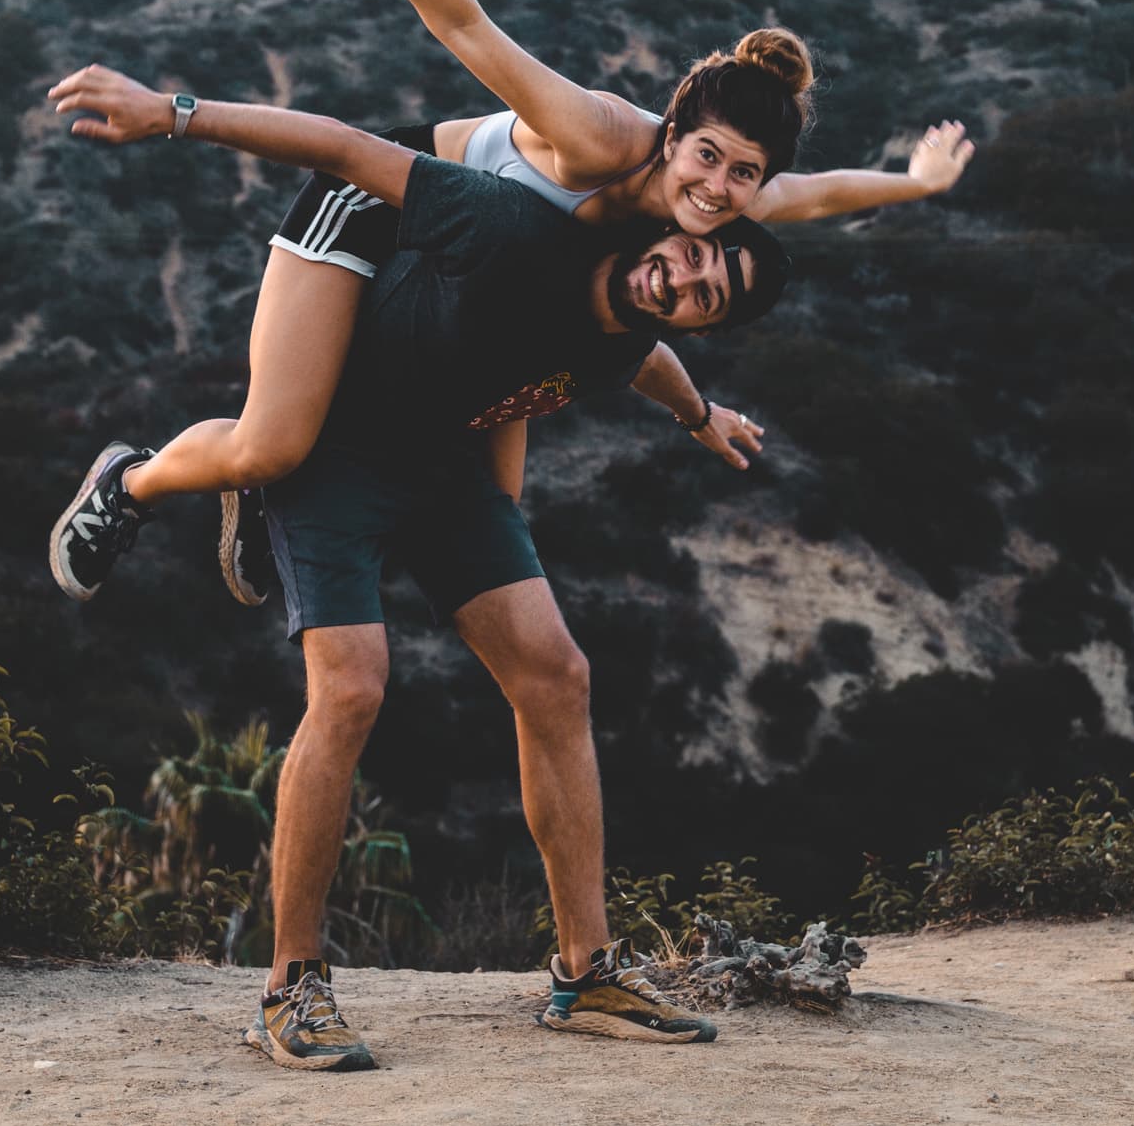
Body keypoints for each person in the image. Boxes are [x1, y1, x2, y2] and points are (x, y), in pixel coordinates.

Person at [45, 0, 973, 601]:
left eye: (745, 176)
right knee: (272, 444)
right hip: (380, 208)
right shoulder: (597, 137)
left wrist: (915, 183)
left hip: (472, 266)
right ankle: (127, 485)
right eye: (708, 159)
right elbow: (461, 23)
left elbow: (815, 197)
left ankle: (296, 503)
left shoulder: (723, 208)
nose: (720, 188)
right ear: (673, 134)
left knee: (495, 506)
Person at [49, 91, 789, 1065]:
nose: (684, 277)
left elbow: (642, 362)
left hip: (445, 469)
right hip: (339, 453)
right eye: (693, 256)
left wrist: (703, 417)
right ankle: (291, 987)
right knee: (349, 677)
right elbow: (351, 146)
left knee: (556, 675)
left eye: (708, 293)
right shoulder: (515, 227)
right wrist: (174, 114)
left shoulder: (628, 332)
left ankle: (586, 970)